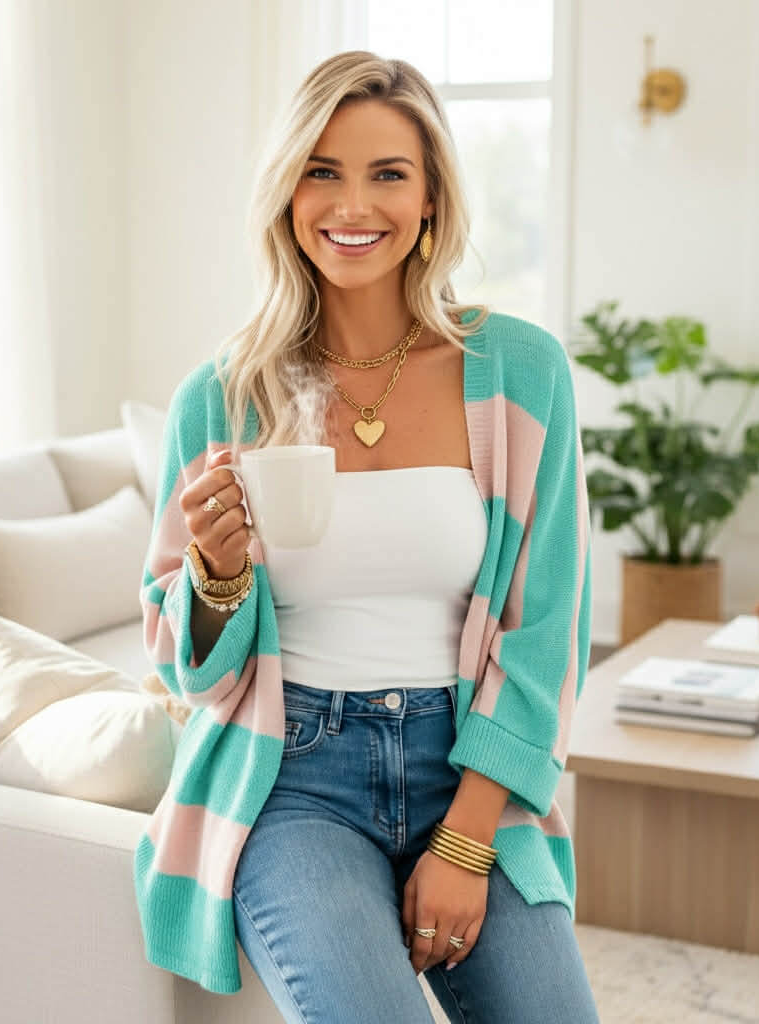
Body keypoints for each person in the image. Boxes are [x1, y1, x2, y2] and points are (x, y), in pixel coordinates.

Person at [132, 50, 599, 1023]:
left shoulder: (518, 370)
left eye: (388, 173)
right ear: (286, 192)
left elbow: (546, 629)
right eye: (322, 170)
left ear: (431, 198)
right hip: (290, 775)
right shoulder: (219, 398)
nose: (354, 204)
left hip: (463, 760)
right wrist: (217, 577)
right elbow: (189, 675)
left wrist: (467, 841)